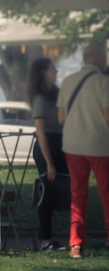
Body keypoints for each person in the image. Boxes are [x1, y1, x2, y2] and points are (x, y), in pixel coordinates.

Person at [58, 42, 109, 259]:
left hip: (72, 145)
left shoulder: (68, 81)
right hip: (99, 146)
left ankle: (76, 244)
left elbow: (61, 118)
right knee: (106, 193)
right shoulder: (104, 83)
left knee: (78, 194)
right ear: (100, 58)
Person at [26, 57, 69, 251]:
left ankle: (55, 237)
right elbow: (41, 131)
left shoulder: (56, 94)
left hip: (60, 143)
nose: (56, 72)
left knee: (62, 189)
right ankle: (46, 239)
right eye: (53, 69)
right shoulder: (40, 98)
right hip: (47, 146)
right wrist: (49, 162)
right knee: (47, 192)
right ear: (44, 72)